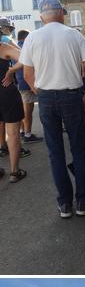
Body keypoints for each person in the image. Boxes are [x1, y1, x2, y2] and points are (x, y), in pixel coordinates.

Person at [20, 0, 85, 218]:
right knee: (79, 148)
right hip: (72, 96)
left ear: (41, 16)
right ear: (61, 13)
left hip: (45, 98)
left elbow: (26, 74)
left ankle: (65, 204)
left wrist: (41, 93)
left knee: (55, 152)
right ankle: (82, 200)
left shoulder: (32, 38)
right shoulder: (74, 34)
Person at [6, 30, 43, 143]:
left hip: (21, 82)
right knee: (28, 111)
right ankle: (27, 134)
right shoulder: (26, 48)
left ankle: (23, 131)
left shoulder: (14, 47)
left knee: (24, 109)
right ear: (27, 37)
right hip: (28, 83)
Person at [0, 40, 27, 182]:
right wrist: (11, 70)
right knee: (13, 134)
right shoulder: (3, 48)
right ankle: (14, 173)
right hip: (6, 93)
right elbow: (26, 57)